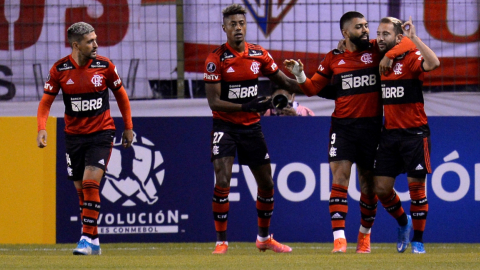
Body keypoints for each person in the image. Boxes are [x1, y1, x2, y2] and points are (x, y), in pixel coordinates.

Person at [284, 11, 416, 253]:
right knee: (340, 179)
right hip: (343, 128)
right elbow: (312, 88)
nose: (366, 30)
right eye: (359, 27)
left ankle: (365, 236)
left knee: (369, 186)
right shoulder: (333, 58)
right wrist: (300, 75)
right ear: (345, 33)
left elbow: (405, 41)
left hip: (372, 129)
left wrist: (391, 55)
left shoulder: (377, 49)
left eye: (366, 26)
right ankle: (339, 240)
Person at [204, 4, 301, 254]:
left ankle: (264, 238)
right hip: (225, 125)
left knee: (267, 184)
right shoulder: (216, 59)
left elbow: (284, 81)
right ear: (224, 28)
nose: (238, 27)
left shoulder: (258, 54)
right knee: (222, 178)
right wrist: (246, 105)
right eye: (233, 24)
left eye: (241, 23)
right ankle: (221, 242)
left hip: (251, 127)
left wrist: (302, 79)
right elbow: (214, 102)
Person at [36, 22, 134, 256]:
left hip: (102, 133)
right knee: (81, 190)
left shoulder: (105, 66)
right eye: (90, 41)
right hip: (74, 137)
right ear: (75, 45)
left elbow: (121, 96)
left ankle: (85, 239)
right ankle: (95, 240)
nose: (96, 44)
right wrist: (42, 127)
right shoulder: (59, 70)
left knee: (91, 183)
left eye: (95, 39)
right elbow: (46, 102)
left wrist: (128, 127)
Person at [374, 16, 440, 254]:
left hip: (415, 134)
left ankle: (419, 240)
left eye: (385, 34)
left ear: (398, 37)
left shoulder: (410, 59)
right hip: (389, 134)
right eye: (378, 34)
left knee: (417, 190)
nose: (380, 38)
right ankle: (404, 222)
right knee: (380, 189)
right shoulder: (377, 56)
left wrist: (414, 39)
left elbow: (434, 63)